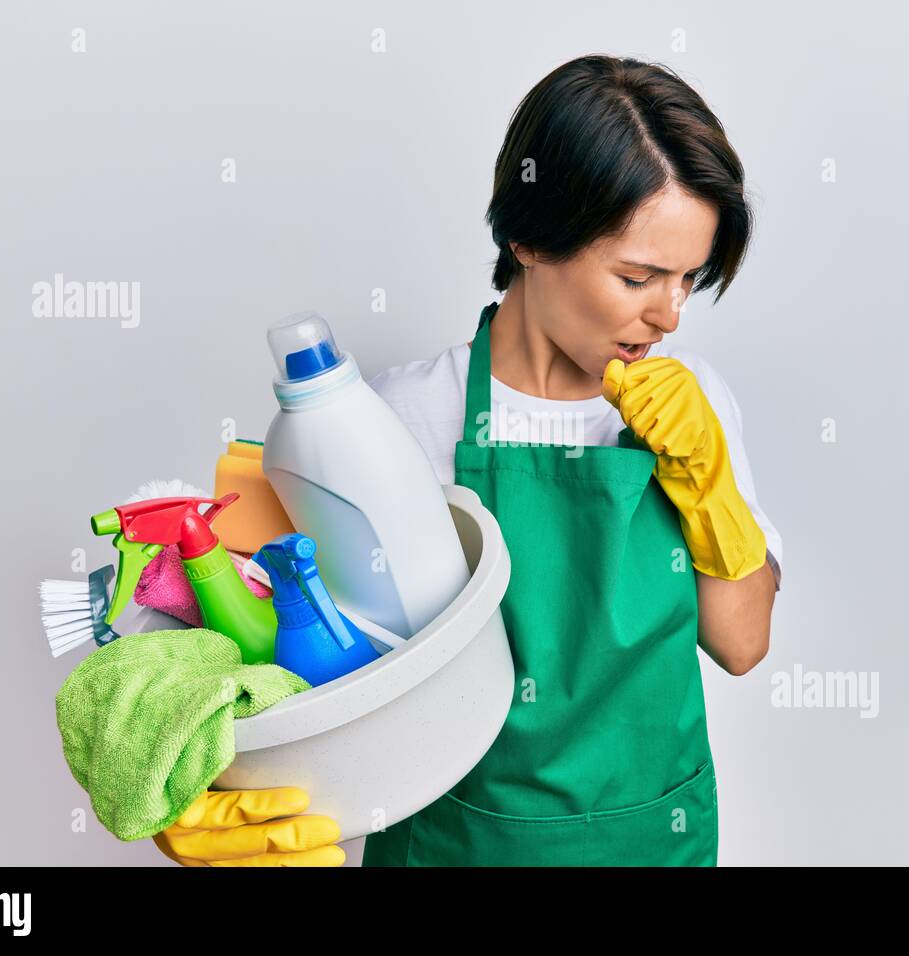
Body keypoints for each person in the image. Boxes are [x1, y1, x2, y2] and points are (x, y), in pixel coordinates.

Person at [153, 53, 781, 868]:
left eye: (690, 279)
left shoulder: (692, 404)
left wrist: (710, 481)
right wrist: (200, 801)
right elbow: (298, 659)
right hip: (458, 843)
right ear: (527, 235)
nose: (668, 314)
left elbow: (741, 645)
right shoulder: (397, 419)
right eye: (638, 277)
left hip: (649, 835)